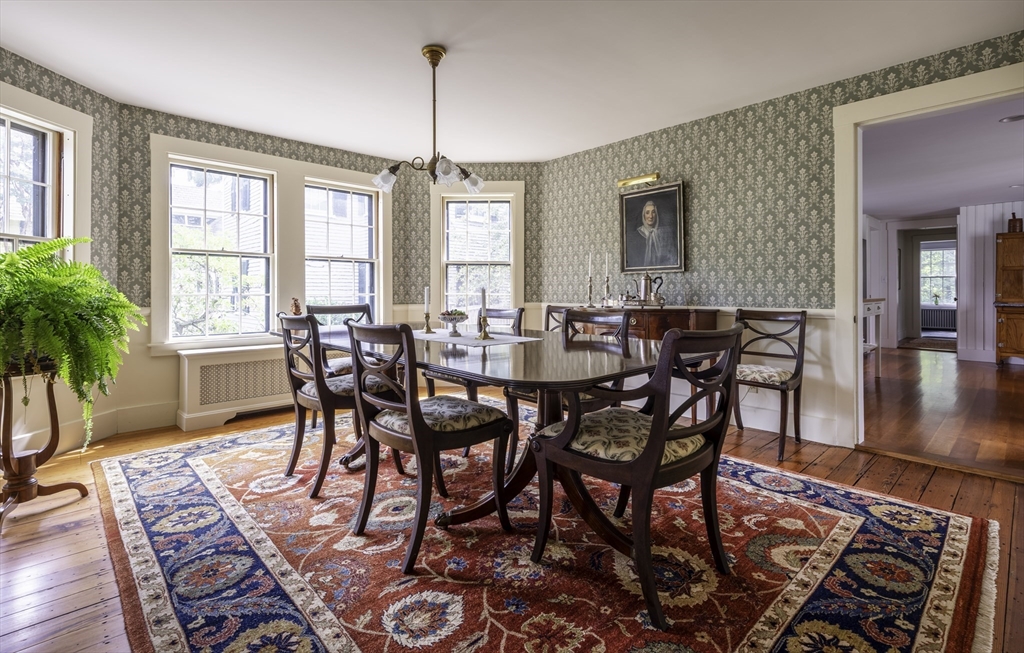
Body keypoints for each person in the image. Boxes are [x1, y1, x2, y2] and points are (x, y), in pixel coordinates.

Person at [625, 200, 674, 268]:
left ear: (656, 214)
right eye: (647, 213)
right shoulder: (635, 235)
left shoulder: (664, 234)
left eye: (653, 212)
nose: (650, 216)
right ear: (643, 215)